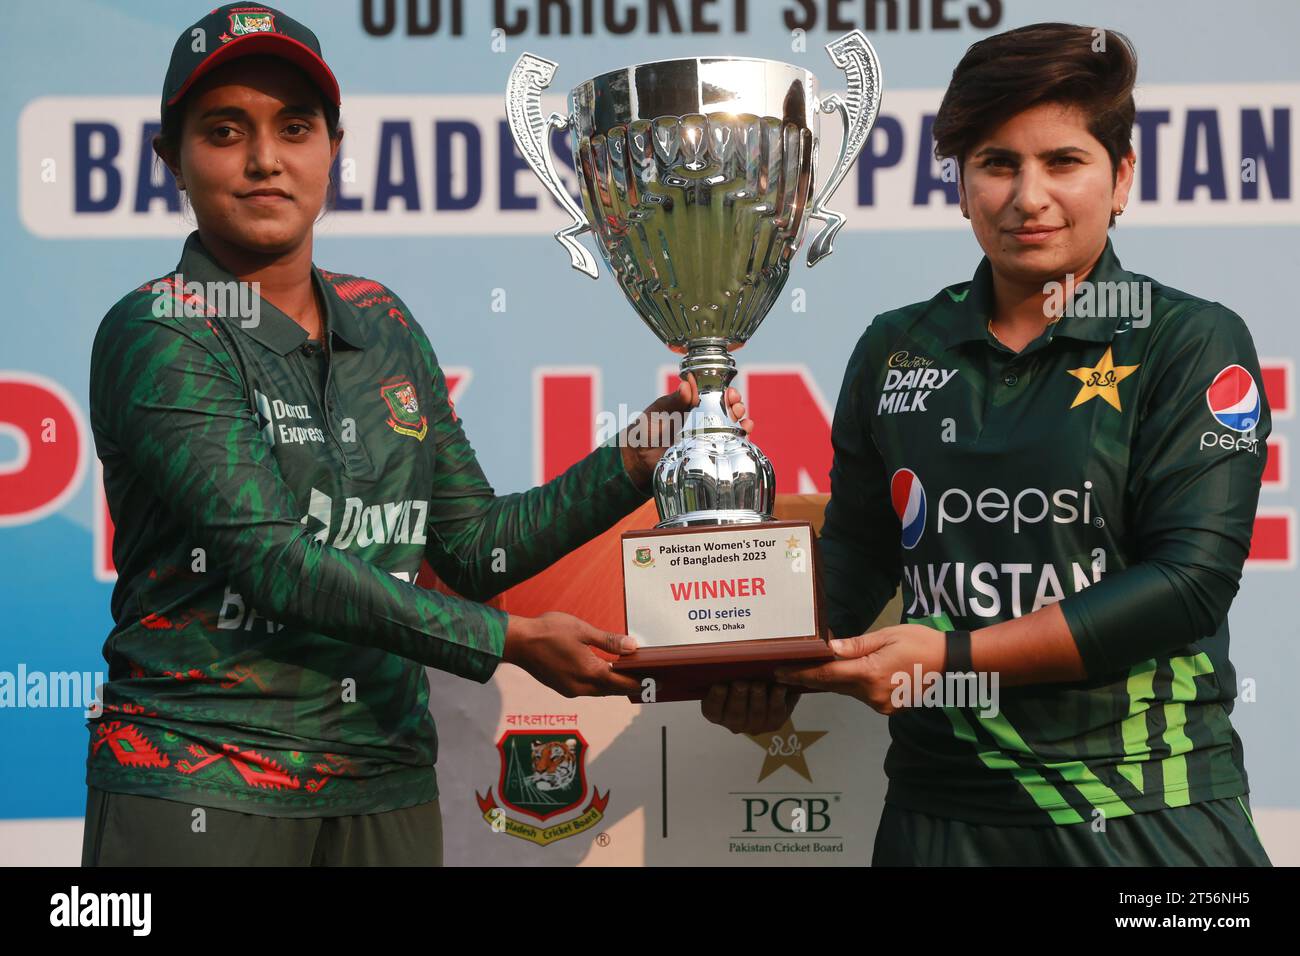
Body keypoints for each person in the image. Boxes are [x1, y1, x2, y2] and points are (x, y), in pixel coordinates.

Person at [82, 3, 752, 867]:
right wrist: (511, 643)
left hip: (385, 779)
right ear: (169, 158)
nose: (264, 160)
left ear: (334, 148)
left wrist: (634, 458)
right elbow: (278, 566)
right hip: (202, 779)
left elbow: (474, 548)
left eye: (295, 128)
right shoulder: (160, 327)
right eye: (223, 131)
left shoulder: (382, 319)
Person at [712, 22, 1273, 866]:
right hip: (941, 811)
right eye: (998, 163)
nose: (1028, 196)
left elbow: (1188, 583)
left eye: (1064, 162)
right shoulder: (898, 345)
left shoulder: (1188, 339)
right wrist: (765, 664)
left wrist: (952, 661)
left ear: (1121, 178)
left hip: (1145, 808)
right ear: (962, 184)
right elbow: (861, 553)